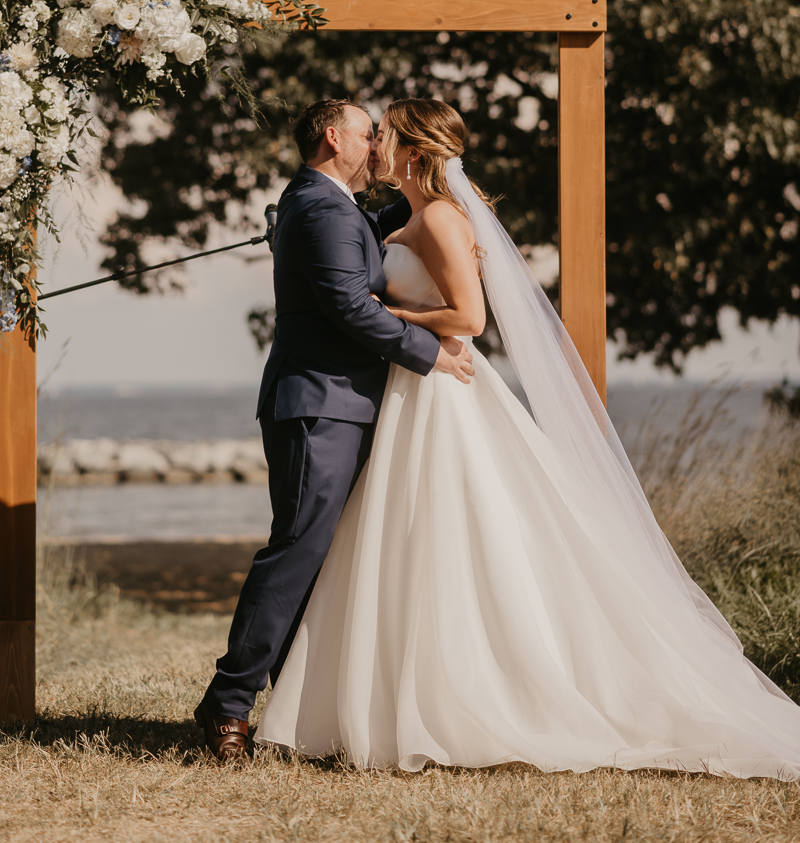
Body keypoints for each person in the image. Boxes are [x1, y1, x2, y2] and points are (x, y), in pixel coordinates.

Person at [254, 98, 800, 779]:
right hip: (412, 391)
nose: (377, 148)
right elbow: (344, 247)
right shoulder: (411, 215)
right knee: (403, 543)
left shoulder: (444, 218)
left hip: (439, 388)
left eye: (387, 136)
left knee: (450, 540)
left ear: (416, 154)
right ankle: (375, 697)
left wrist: (381, 311)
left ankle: (465, 698)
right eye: (372, 135)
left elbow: (471, 317)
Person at [194, 99, 474, 760]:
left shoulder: (328, 206)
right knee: (297, 553)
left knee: (325, 563)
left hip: (345, 402)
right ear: (332, 137)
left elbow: (376, 238)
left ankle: (299, 711)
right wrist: (431, 354)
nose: (374, 142)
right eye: (365, 132)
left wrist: (431, 186)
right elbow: (350, 304)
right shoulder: (319, 208)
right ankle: (227, 707)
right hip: (319, 403)